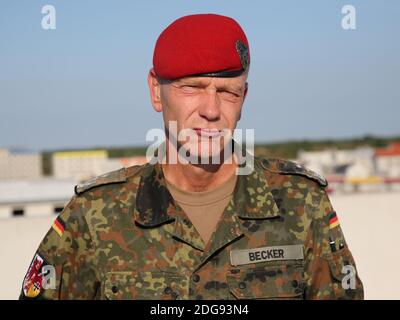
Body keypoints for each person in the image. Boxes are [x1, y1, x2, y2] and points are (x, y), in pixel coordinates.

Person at [20, 13, 363, 300]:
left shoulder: (300, 203)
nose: (211, 110)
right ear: (156, 91)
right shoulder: (94, 216)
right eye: (192, 88)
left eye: (228, 92)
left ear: (244, 98)